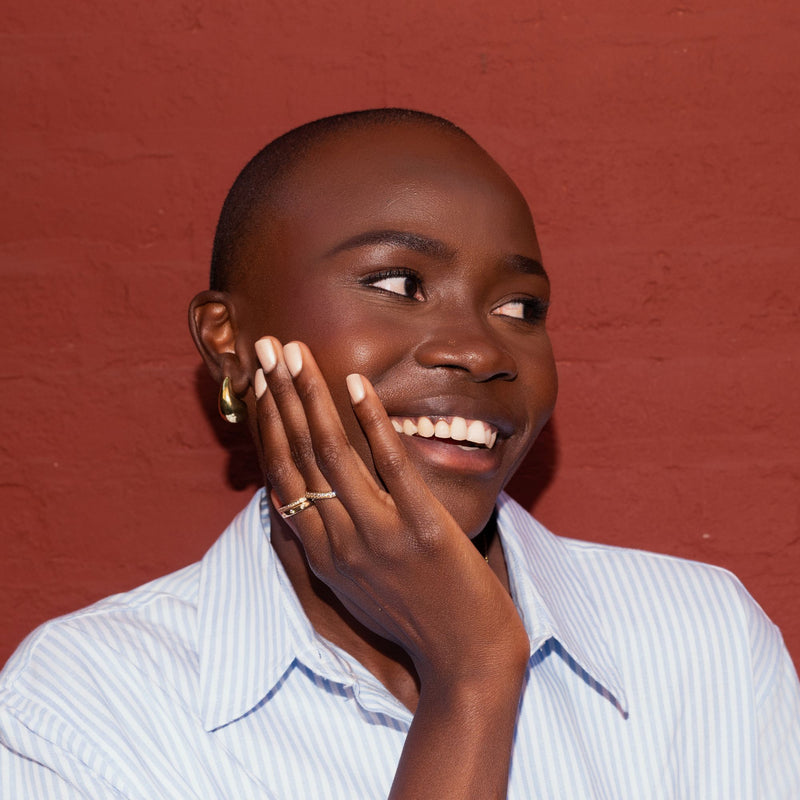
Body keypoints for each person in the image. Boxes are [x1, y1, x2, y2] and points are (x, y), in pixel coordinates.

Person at [1, 109, 798, 799]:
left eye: (521, 305)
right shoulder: (85, 704)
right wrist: (473, 676)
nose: (478, 349)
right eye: (398, 283)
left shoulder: (702, 642)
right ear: (229, 342)